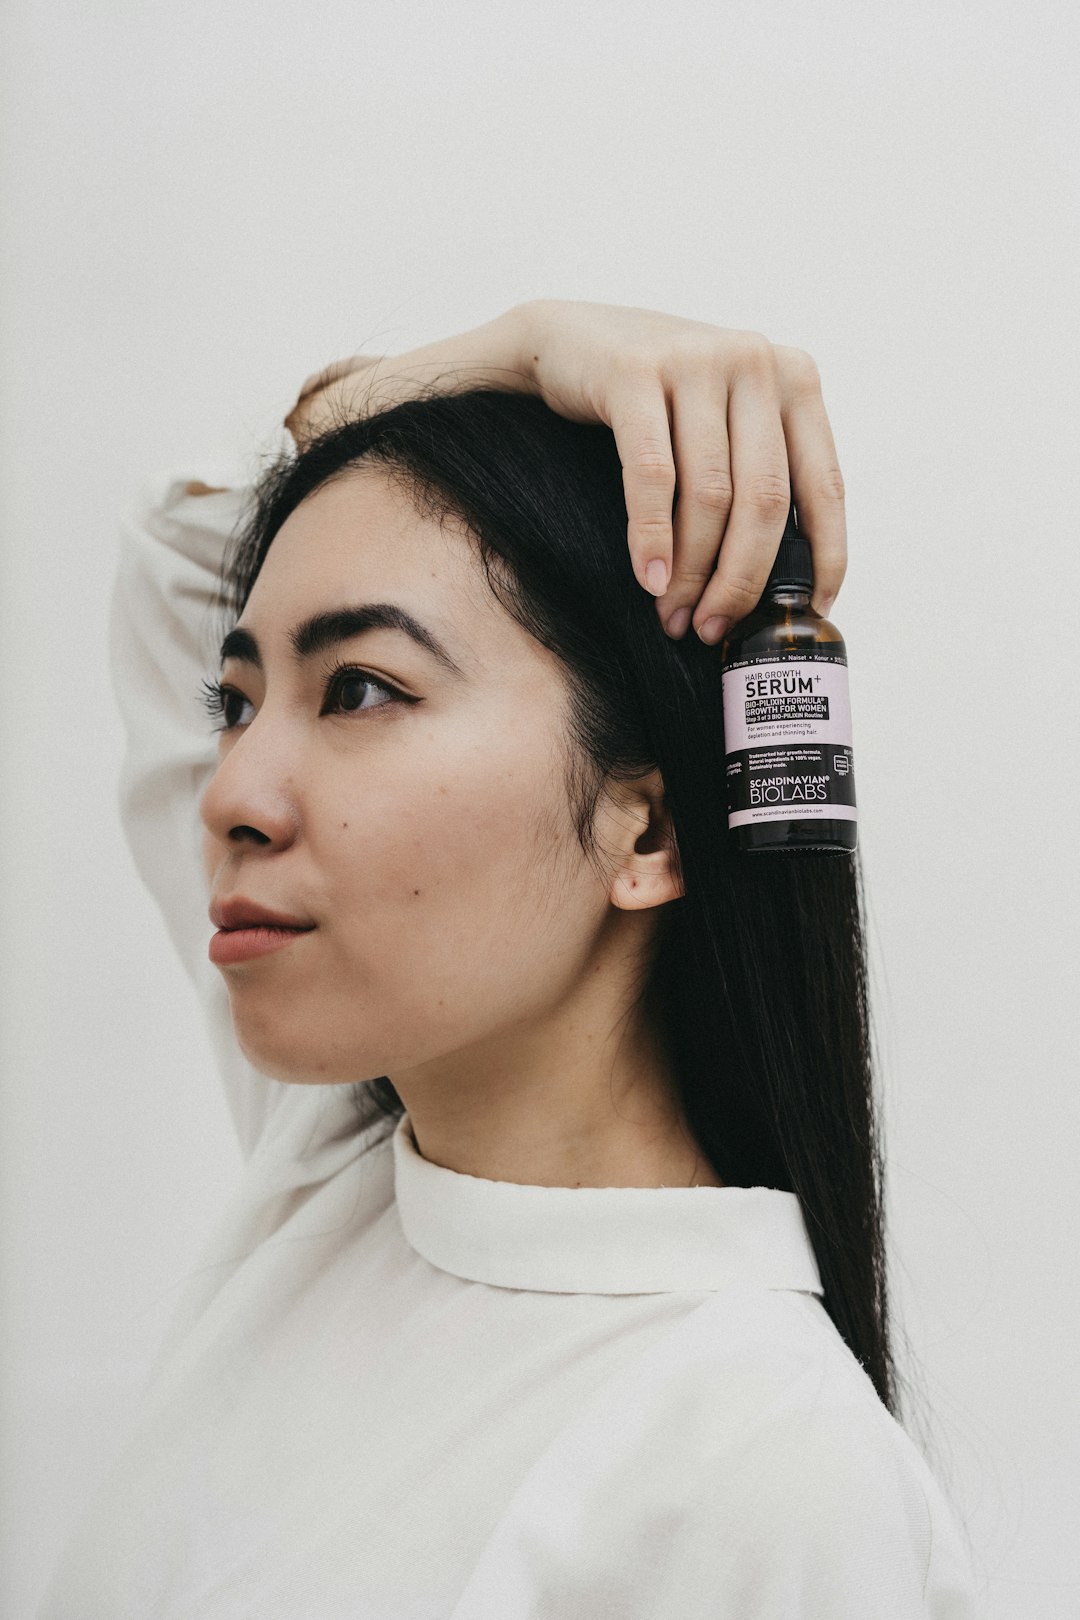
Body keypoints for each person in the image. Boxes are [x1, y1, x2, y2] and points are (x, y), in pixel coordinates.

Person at [38, 301, 981, 1616]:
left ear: (646, 822)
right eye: (235, 702)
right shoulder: (350, 1172)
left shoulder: (766, 1472)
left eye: (361, 687)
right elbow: (181, 558)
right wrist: (521, 351)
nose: (231, 791)